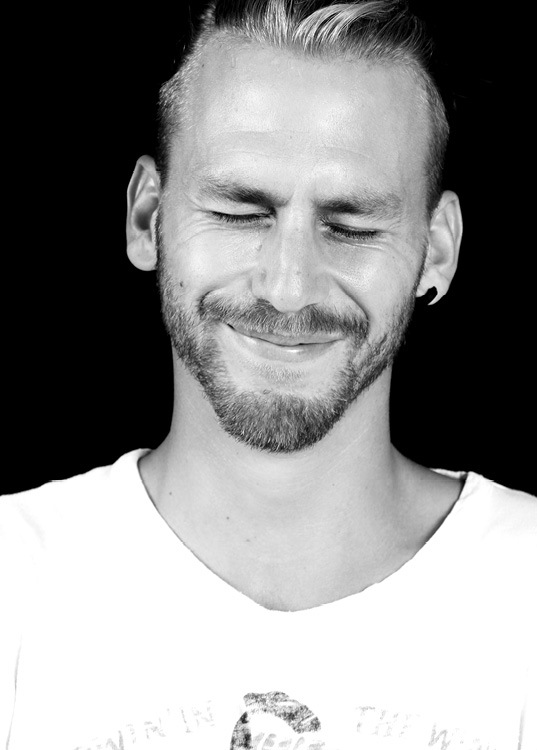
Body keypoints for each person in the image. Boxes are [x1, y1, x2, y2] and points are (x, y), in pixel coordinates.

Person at [1, 1, 535, 748]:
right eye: (239, 212)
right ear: (147, 218)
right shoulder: (14, 578)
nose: (288, 288)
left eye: (351, 226)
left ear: (436, 250)